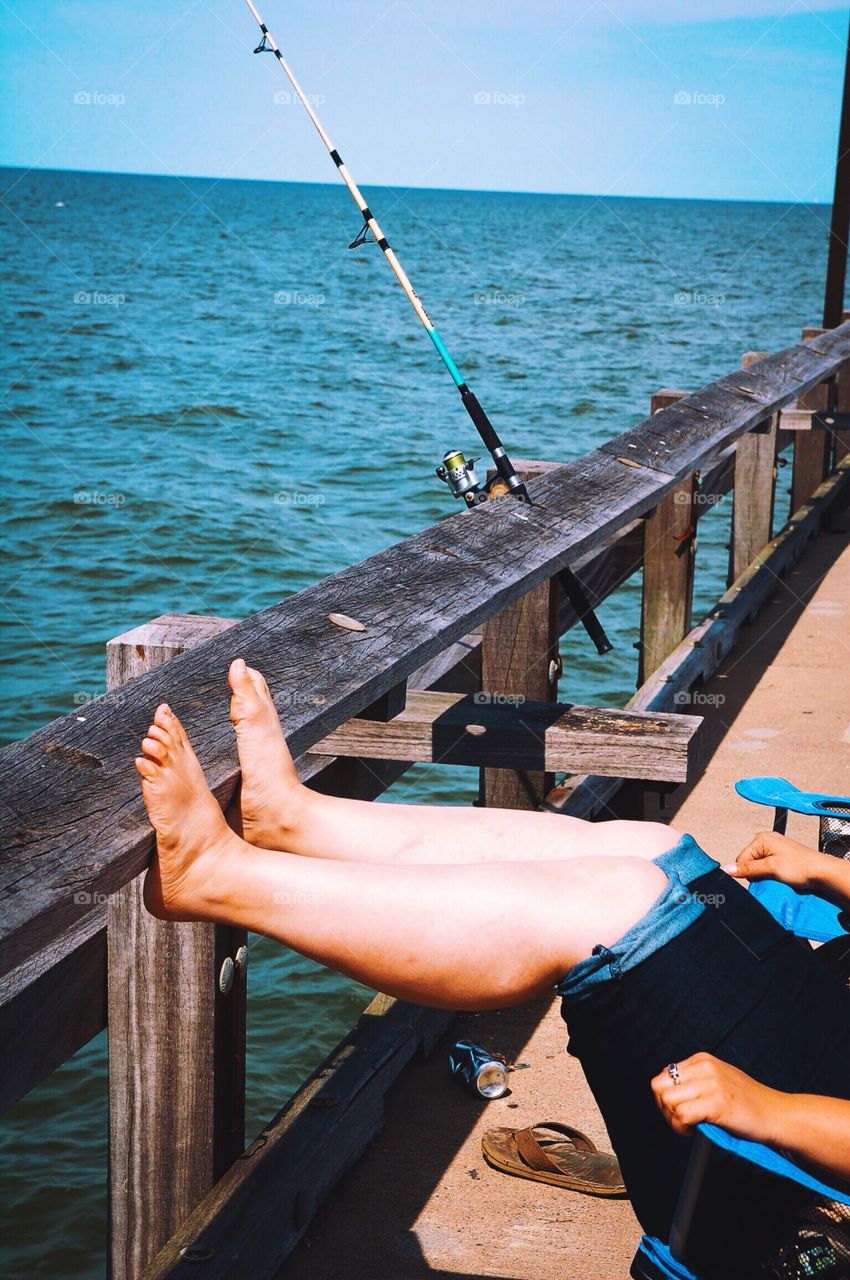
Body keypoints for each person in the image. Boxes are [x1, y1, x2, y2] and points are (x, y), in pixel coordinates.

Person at [134, 659, 850, 1279]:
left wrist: (773, 1111)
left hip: (805, 1168)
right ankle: (294, 820)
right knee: (654, 845)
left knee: (621, 906)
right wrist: (826, 869)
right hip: (830, 1031)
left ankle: (216, 877)